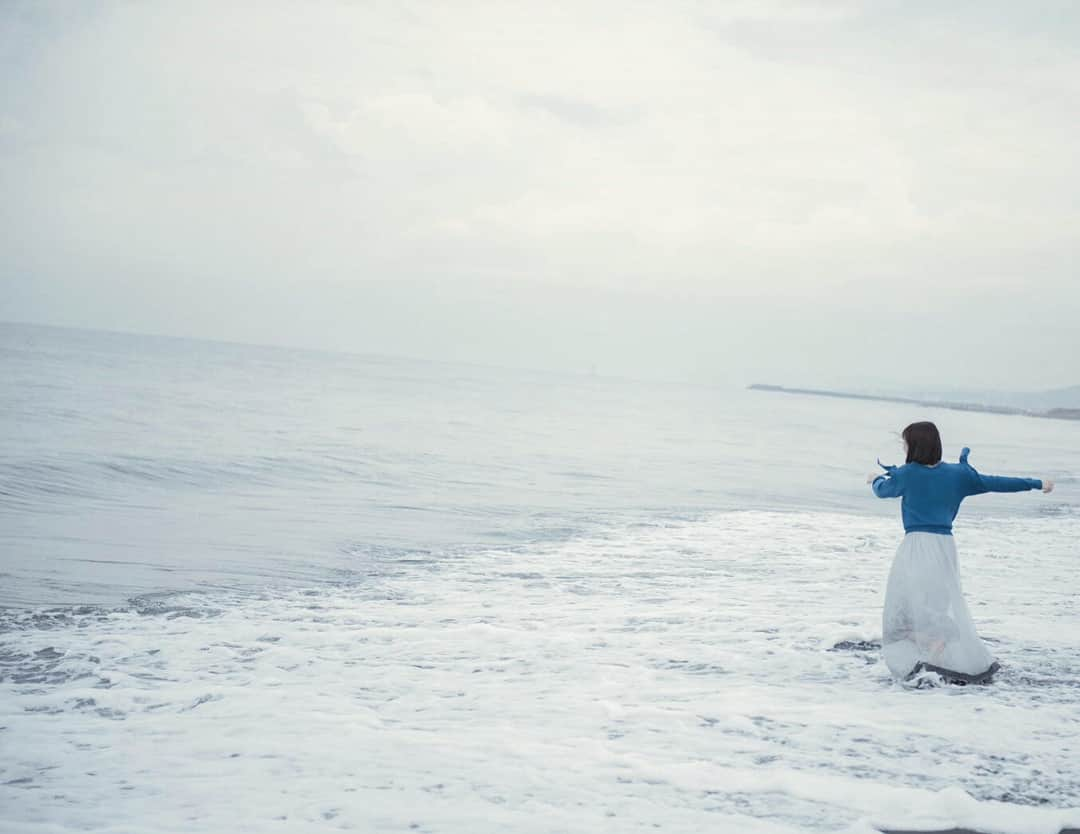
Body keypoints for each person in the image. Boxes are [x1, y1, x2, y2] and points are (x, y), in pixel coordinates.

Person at [867, 421, 1054, 684]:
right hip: (945, 547)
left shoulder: (907, 474)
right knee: (937, 603)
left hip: (916, 546)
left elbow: (883, 490)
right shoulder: (958, 475)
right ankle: (937, 653)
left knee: (908, 605)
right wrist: (1036, 483)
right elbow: (997, 483)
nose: (904, 447)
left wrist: (874, 479)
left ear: (914, 446)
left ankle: (928, 659)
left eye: (905, 442)